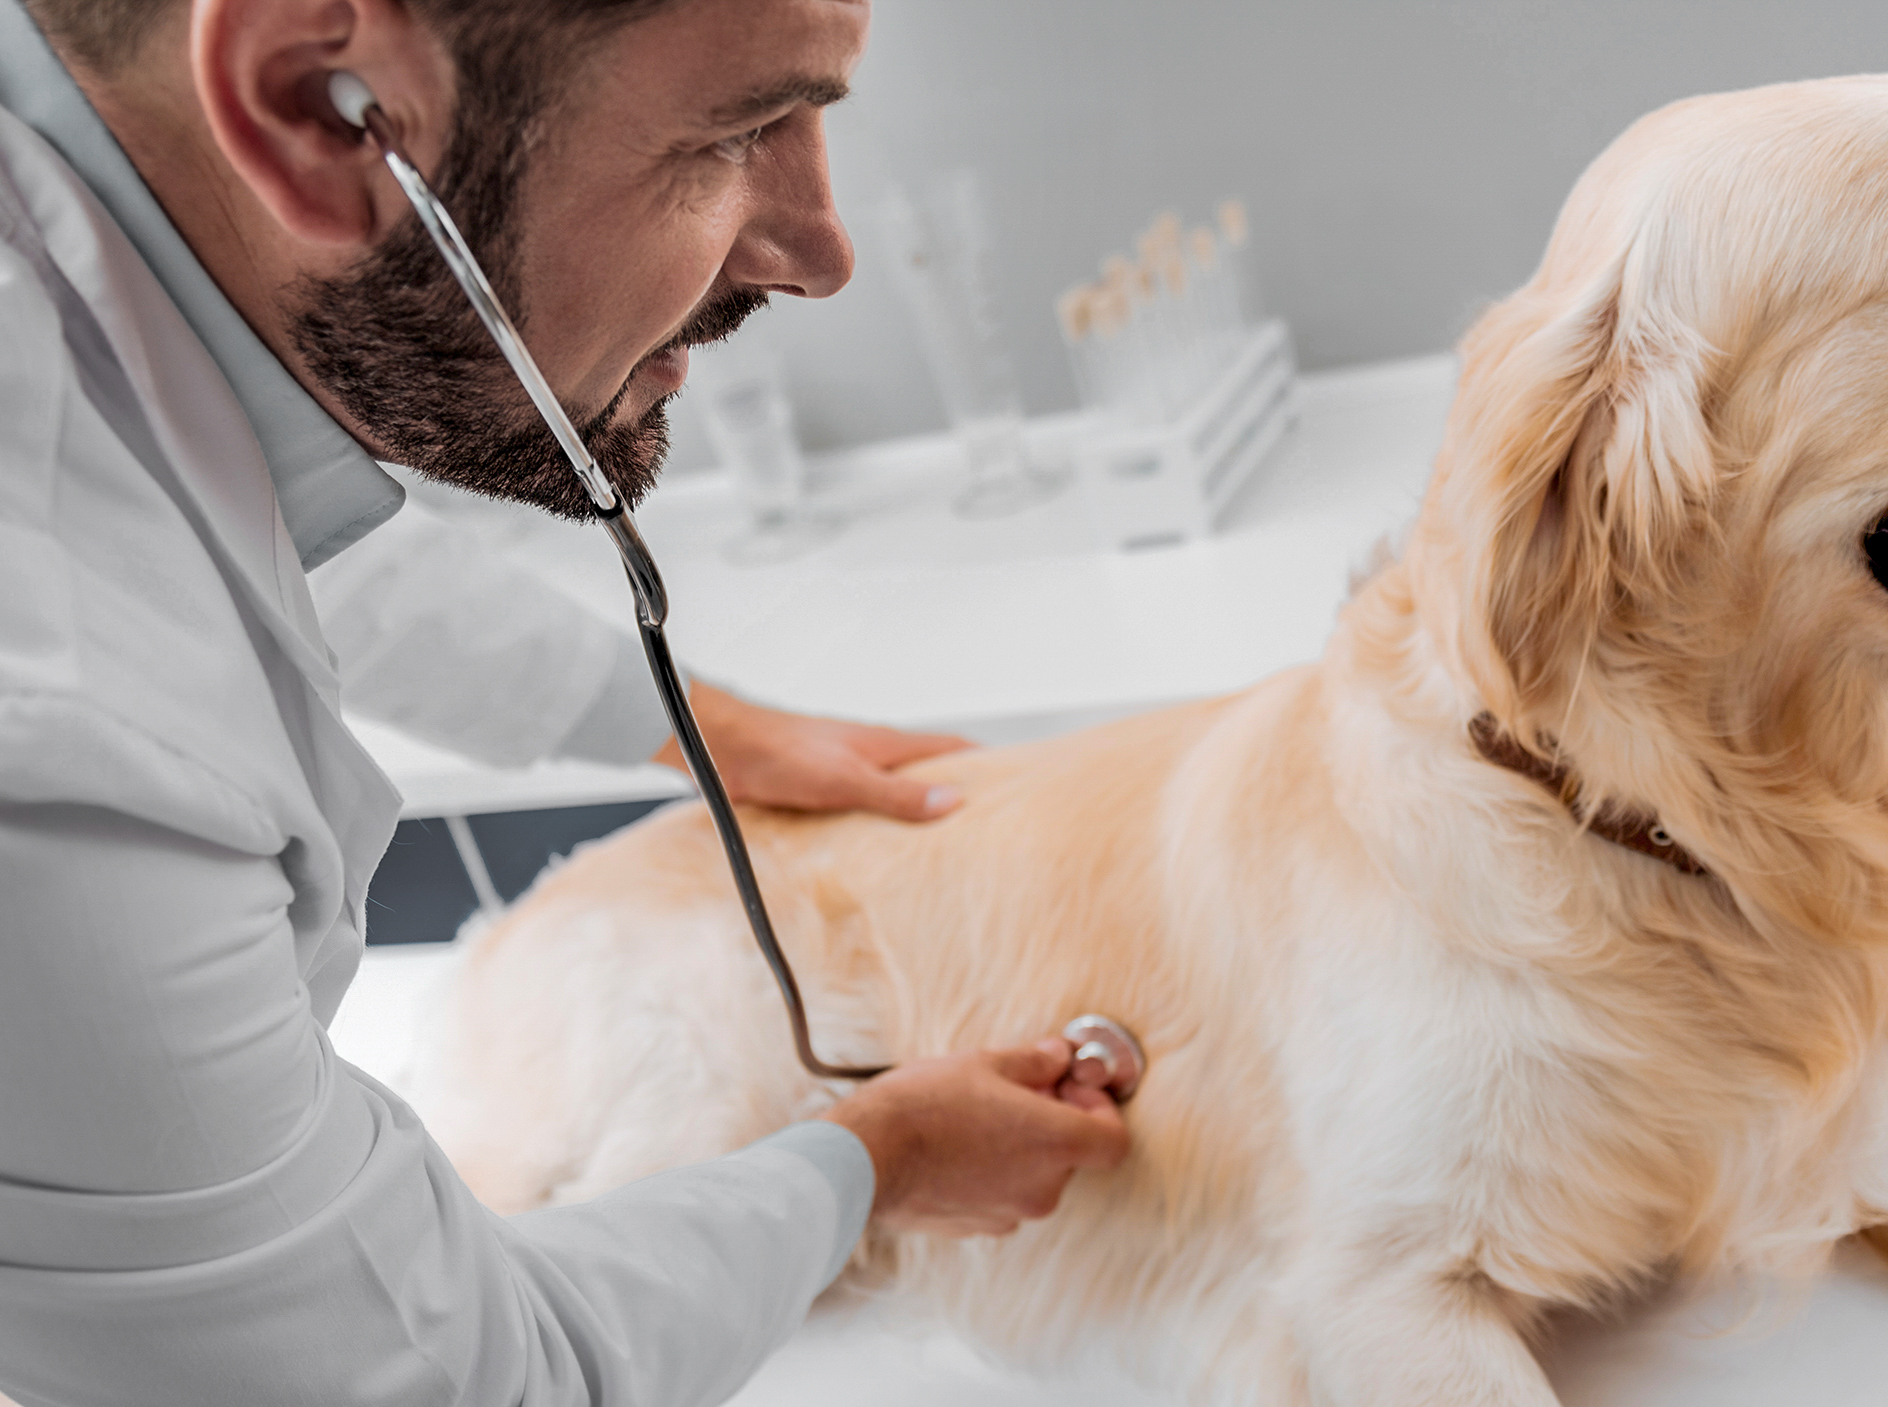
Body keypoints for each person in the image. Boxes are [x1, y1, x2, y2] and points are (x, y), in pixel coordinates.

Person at [0, 0, 1131, 1403]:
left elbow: (228, 508)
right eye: (734, 134)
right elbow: (450, 1378)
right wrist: (871, 1163)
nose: (821, 251)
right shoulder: (59, 763)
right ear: (316, 101)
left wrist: (706, 723)